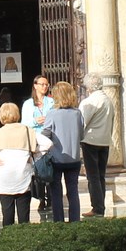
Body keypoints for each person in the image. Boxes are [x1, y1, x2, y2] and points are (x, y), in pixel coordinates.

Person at [38, 80, 86, 223]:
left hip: (57, 158)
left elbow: (45, 134)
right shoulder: (77, 113)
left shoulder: (52, 114)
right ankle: (75, 221)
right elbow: (82, 135)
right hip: (74, 159)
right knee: (73, 191)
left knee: (56, 193)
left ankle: (58, 222)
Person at [77, 73, 114, 218]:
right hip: (104, 141)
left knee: (93, 176)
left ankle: (97, 208)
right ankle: (100, 206)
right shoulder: (108, 101)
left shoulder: (90, 102)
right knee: (101, 176)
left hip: (91, 141)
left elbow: (82, 122)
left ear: (88, 86)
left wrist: (78, 139)